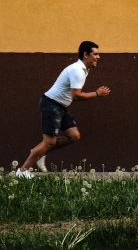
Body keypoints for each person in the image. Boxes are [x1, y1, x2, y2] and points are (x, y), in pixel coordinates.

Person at [16, 41, 111, 178]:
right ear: (85, 55)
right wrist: (97, 93)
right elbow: (76, 95)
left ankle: (41, 152)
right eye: (95, 54)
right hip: (51, 104)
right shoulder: (77, 70)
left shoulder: (84, 69)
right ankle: (21, 172)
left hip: (60, 106)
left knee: (74, 136)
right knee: (49, 142)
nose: (98, 57)